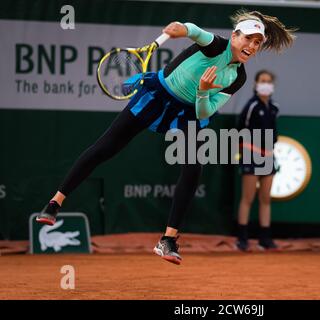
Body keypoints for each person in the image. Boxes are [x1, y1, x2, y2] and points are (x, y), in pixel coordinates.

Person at [36, 10, 295, 265]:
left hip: (190, 110)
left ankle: (168, 240)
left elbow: (204, 110)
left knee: (194, 169)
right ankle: (55, 202)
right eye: (248, 38)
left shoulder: (237, 77)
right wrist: (180, 29)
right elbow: (194, 31)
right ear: (234, 36)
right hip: (158, 95)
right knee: (105, 147)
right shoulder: (216, 45)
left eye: (257, 43)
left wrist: (203, 91)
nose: (251, 45)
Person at [236, 70, 279, 251]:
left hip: (269, 157)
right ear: (255, 84)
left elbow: (274, 135)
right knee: (247, 198)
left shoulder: (274, 108)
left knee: (265, 199)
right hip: (251, 155)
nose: (266, 84)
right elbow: (239, 132)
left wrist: (269, 152)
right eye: (263, 81)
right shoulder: (251, 106)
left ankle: (265, 239)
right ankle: (242, 239)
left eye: (269, 81)